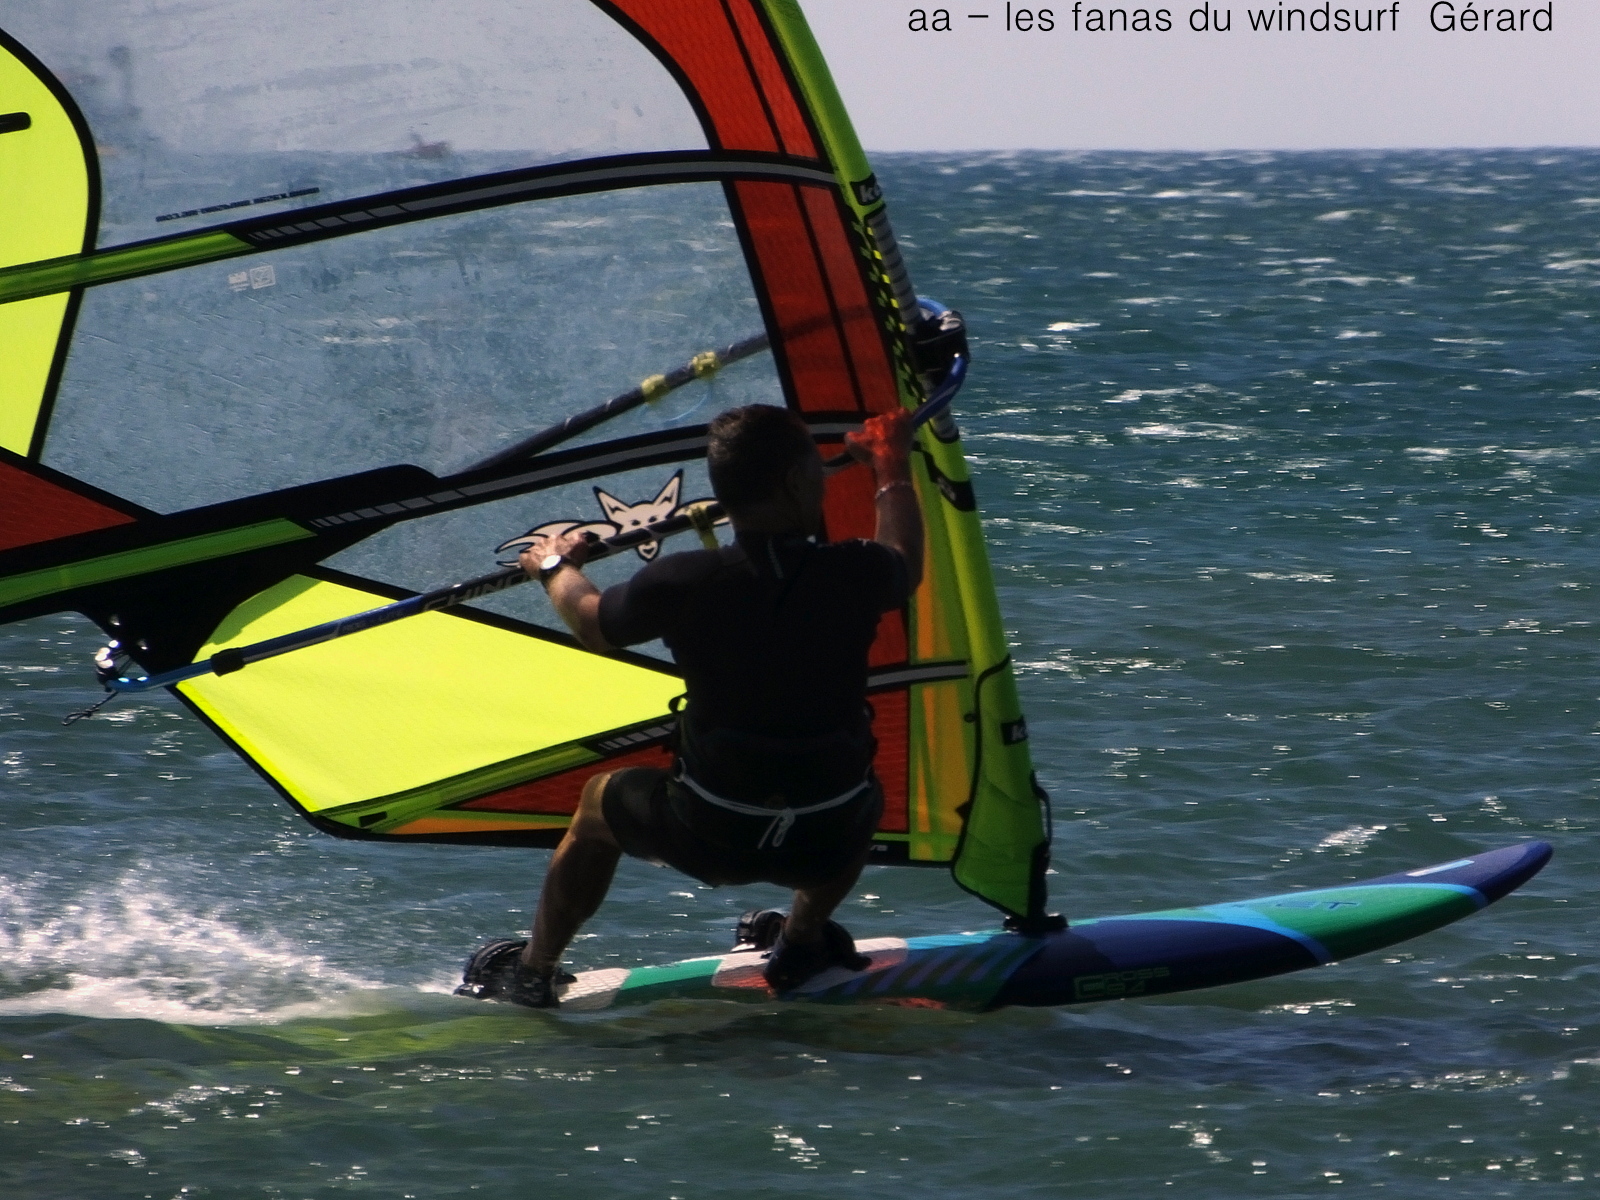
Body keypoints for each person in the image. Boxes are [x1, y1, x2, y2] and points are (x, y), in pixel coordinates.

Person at [458, 403, 923, 1007]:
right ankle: (801, 941)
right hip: (828, 834)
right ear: (792, 481)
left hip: (711, 831)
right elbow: (904, 559)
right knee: (859, 784)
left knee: (598, 802)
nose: (823, 477)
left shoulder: (685, 580)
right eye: (815, 465)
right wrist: (890, 465)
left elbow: (593, 621)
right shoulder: (855, 571)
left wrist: (553, 565)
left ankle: (533, 971)